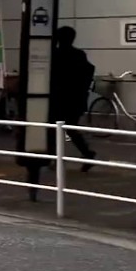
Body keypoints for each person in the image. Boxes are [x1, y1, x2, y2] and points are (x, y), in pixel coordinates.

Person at [49, 26, 97, 172]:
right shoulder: (78, 54)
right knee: (70, 128)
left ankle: (58, 158)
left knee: (55, 129)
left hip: (59, 98)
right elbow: (89, 70)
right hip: (75, 99)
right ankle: (86, 154)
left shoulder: (56, 54)